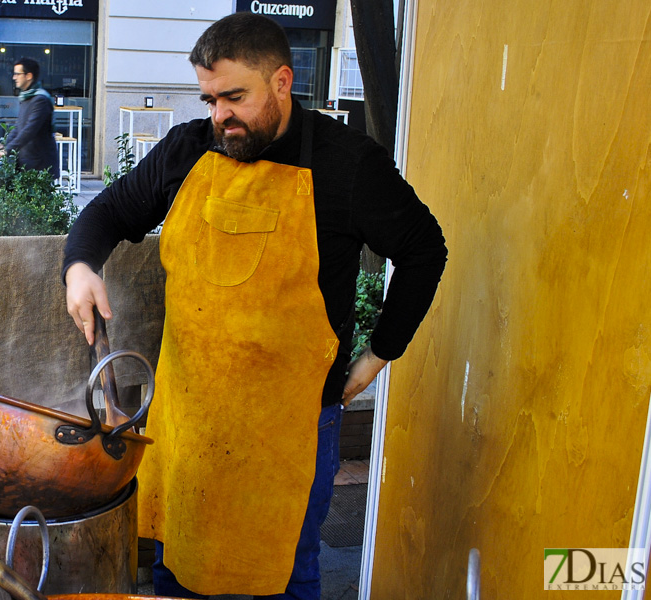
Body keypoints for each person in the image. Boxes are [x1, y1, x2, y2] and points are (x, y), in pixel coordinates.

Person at [62, 13, 447, 600]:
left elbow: (425, 251)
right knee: (177, 568)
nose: (220, 115)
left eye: (234, 97)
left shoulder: (347, 165)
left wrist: (378, 355)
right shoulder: (187, 149)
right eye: (210, 98)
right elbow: (107, 214)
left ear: (282, 82)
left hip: (291, 426)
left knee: (290, 572)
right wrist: (80, 267)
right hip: (190, 418)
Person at [0, 57, 59, 178]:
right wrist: (4, 144)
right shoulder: (27, 97)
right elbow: (19, 128)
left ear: (29, 76)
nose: (14, 78)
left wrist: (8, 150)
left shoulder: (40, 99)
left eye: (18, 74)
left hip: (40, 166)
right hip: (27, 163)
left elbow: (29, 130)